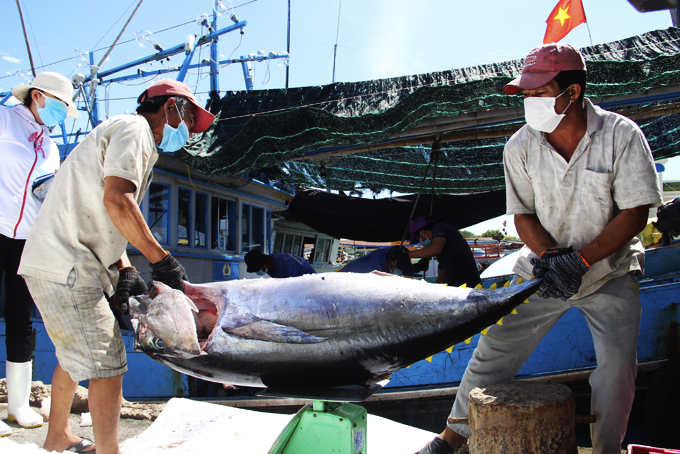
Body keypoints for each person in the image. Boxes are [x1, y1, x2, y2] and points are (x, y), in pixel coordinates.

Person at [416, 43, 662, 454]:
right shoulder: (519, 146)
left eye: (539, 92)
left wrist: (581, 260)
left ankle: (606, 451)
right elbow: (523, 215)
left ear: (573, 92)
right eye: (526, 95)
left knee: (618, 369)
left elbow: (635, 213)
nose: (530, 102)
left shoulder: (621, 134)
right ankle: (451, 438)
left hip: (610, 273)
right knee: (494, 348)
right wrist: (551, 258)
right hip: (543, 273)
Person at [18, 79, 215, 454]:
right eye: (190, 118)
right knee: (109, 362)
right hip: (69, 266)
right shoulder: (135, 129)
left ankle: (58, 436)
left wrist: (125, 266)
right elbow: (118, 200)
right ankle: (110, 451)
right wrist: (162, 260)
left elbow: (107, 212)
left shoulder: (127, 133)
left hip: (59, 262)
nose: (189, 130)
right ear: (171, 106)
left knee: (73, 356)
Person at [0, 72, 80, 438]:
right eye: (61, 106)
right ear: (37, 96)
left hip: (27, 240)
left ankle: (17, 404)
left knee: (20, 317)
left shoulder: (50, 146)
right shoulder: (3, 119)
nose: (63, 113)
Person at [392, 217, 481, 288]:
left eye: (419, 239)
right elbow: (441, 278)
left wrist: (408, 255)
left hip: (469, 288)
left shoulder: (439, 227)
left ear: (422, 232)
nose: (421, 242)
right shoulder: (443, 253)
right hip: (458, 289)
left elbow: (436, 248)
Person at [338, 246, 427, 276]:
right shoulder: (374, 269)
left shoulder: (388, 257)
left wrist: (416, 268)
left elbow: (399, 272)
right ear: (389, 262)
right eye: (399, 267)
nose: (401, 271)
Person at [245, 250, 317, 278]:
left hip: (309, 281)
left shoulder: (284, 266)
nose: (257, 272)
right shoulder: (270, 261)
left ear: (263, 266)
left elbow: (285, 289)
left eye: (257, 269)